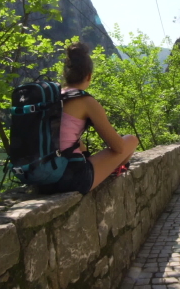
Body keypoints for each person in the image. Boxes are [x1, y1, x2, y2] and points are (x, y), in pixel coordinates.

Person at [37, 42, 139, 195]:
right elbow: (118, 147)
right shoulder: (86, 101)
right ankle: (113, 169)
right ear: (89, 76)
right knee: (131, 140)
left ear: (65, 74)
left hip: (40, 176)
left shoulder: (51, 98)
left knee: (79, 144)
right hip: (69, 179)